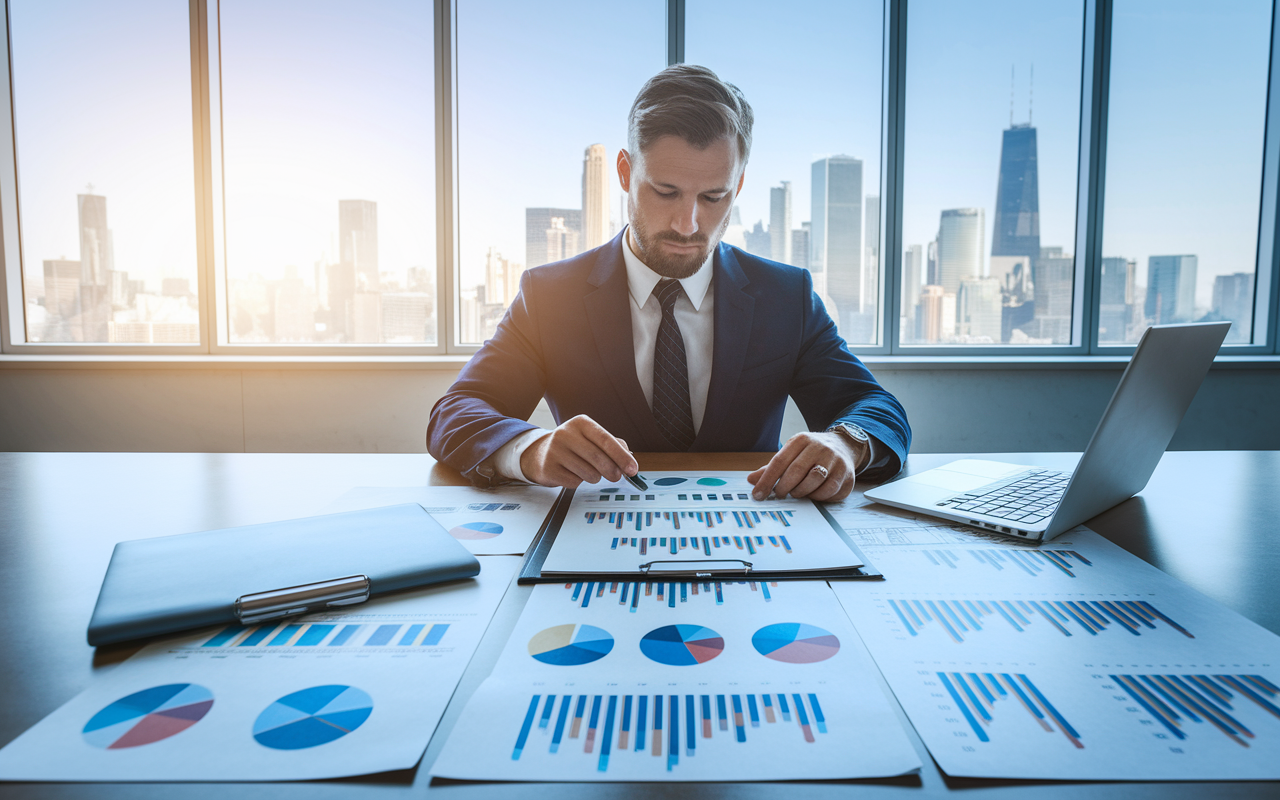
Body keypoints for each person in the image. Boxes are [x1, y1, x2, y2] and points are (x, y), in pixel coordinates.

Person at [428, 64, 909, 503]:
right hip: (594, 543)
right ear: (624, 172)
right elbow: (456, 411)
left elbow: (877, 408)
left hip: (752, 538)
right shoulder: (550, 296)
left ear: (738, 187)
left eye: (714, 196)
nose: (687, 223)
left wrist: (846, 443)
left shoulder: (787, 297)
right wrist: (530, 449)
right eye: (665, 192)